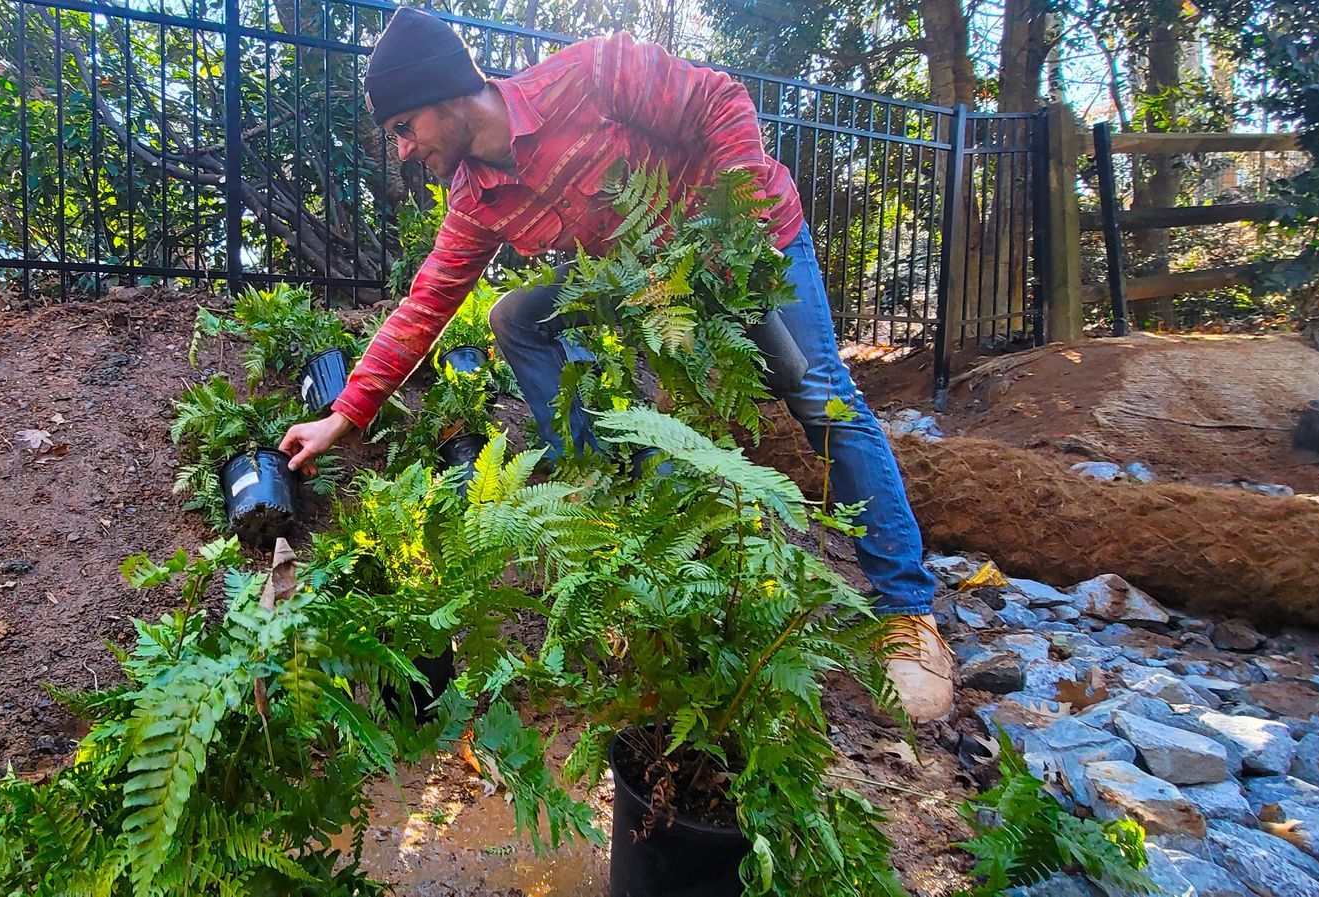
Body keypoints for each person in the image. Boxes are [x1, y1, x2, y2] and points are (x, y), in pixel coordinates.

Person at [279, 7, 956, 721]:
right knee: (515, 317)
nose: (404, 151)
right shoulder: (478, 199)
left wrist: (731, 231)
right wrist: (345, 413)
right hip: (651, 287)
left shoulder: (592, 75)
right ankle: (611, 502)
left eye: (403, 129)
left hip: (753, 243)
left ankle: (908, 612)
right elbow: (425, 304)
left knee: (818, 396)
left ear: (443, 93)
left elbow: (719, 101)